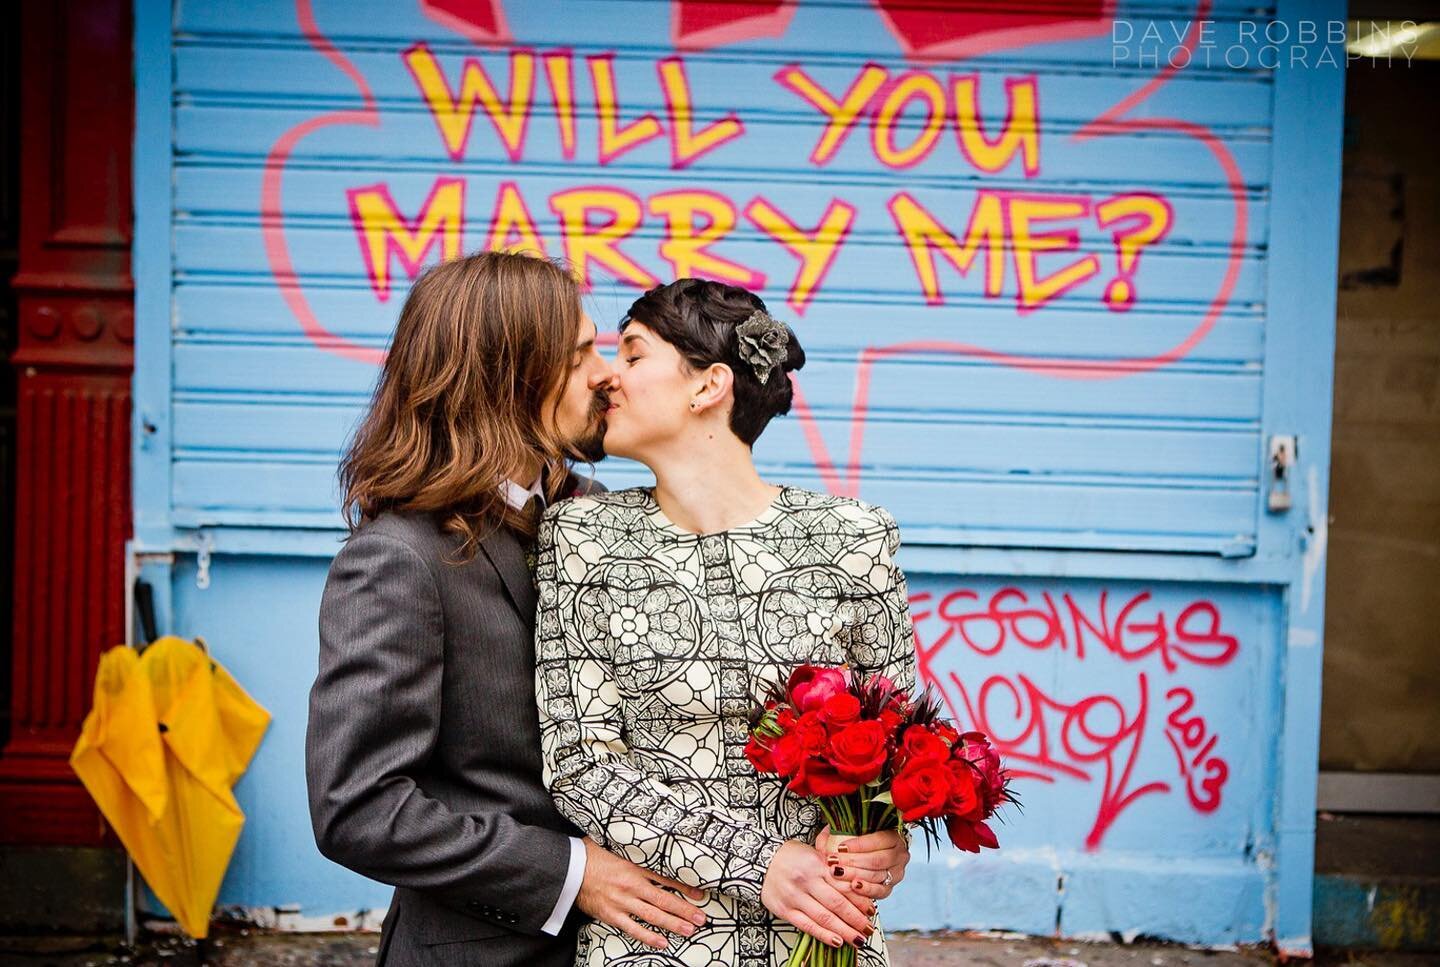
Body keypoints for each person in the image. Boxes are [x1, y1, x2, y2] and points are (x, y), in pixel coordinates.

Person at [306, 252, 712, 966]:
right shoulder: (400, 559)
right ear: (513, 375)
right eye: (583, 352)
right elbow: (358, 806)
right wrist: (570, 873)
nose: (607, 372)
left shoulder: (607, 518)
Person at [535, 279, 918, 966]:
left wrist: (885, 840)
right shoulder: (577, 534)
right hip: (658, 936)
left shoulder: (854, 536)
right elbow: (578, 761)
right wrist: (761, 862)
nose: (605, 378)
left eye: (632, 354)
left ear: (708, 385)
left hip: (826, 932)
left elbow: (898, 739)